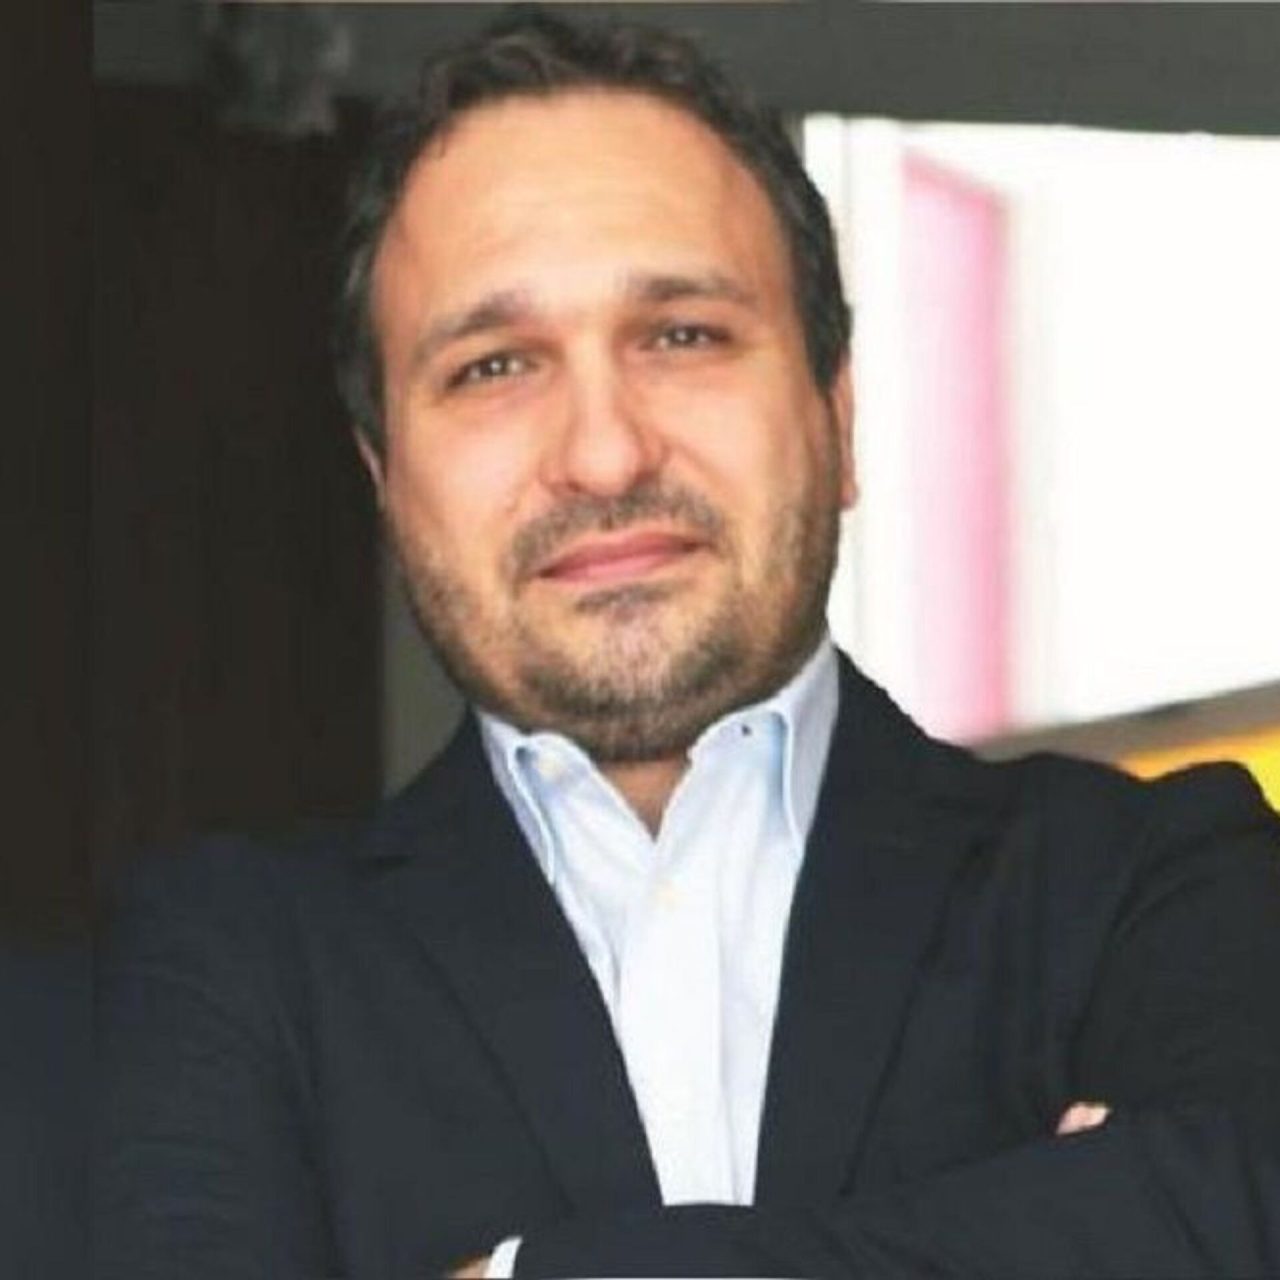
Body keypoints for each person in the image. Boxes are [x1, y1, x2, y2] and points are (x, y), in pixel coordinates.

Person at [96, 8, 1280, 1278]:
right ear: (385, 478)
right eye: (493, 366)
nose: (604, 453)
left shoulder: (1152, 882)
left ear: (836, 414)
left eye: (681, 335)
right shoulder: (228, 963)